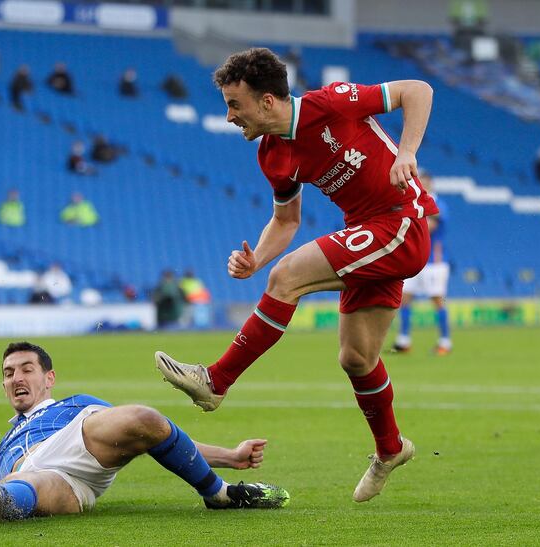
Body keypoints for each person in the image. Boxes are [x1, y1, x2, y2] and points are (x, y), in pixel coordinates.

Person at [154, 48, 437, 503]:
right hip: (366, 232)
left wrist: (406, 153)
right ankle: (391, 449)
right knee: (356, 358)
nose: (229, 116)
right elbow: (286, 220)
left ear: (267, 101)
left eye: (234, 104)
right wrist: (256, 259)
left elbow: (417, 90)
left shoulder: (332, 102)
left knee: (288, 277)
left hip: (401, 220)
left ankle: (216, 381)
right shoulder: (272, 155)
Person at [0, 341, 289, 519]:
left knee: (143, 419)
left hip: (79, 440)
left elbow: (154, 437)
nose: (16, 378)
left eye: (26, 369)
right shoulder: (7, 439)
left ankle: (218, 493)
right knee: (26, 490)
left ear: (49, 378)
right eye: (8, 373)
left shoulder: (75, 405)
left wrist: (230, 456)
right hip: (48, 476)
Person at [391, 171, 452, 355]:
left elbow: (428, 227)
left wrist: (405, 218)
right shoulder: (416, 203)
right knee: (405, 299)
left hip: (435, 261)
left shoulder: (437, 204)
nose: (422, 185)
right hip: (415, 260)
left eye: (425, 182)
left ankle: (445, 341)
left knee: (437, 300)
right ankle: (404, 341)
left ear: (431, 184)